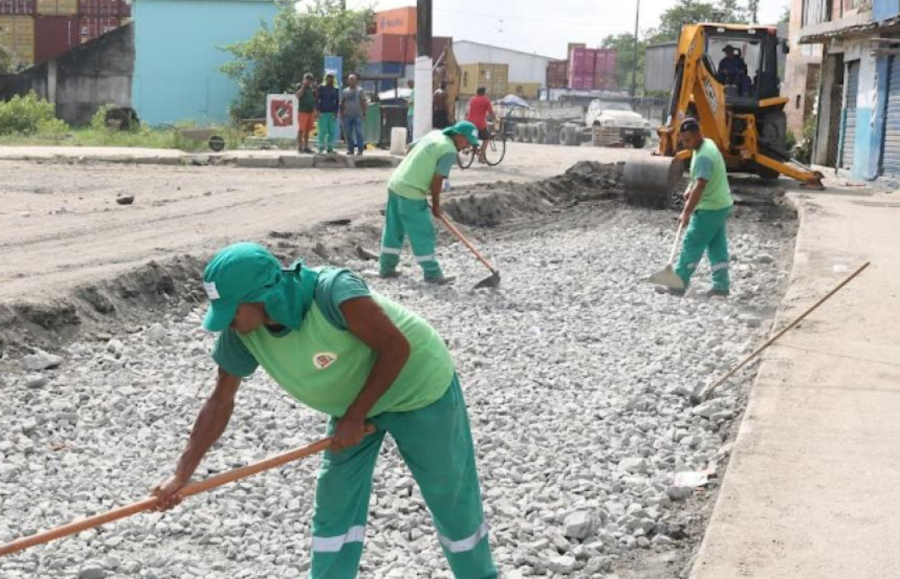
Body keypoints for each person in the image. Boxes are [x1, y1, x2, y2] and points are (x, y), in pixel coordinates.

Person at [152, 242, 499, 579]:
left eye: (231, 311)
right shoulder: (242, 333)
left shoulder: (334, 293)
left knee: (449, 493)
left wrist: (355, 416)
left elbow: (395, 347)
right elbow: (219, 401)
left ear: (262, 296)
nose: (225, 322)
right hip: (355, 404)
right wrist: (182, 474)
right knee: (334, 501)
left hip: (419, 389)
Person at [379, 121, 480, 284]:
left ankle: (386, 268)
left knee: (393, 229)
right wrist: (436, 206)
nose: (467, 146)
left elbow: (410, 148)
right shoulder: (449, 152)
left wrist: (414, 170)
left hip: (396, 184)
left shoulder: (435, 134)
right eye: (467, 141)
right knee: (423, 232)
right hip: (411, 193)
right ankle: (432, 274)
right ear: (458, 135)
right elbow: (437, 181)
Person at [673, 117, 734, 298]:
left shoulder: (703, 156)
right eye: (683, 140)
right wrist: (689, 188)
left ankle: (678, 284)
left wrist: (686, 213)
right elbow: (698, 180)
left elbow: (701, 185)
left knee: (692, 242)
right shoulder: (706, 144)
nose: (685, 144)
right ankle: (721, 286)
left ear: (698, 134)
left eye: (688, 140)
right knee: (717, 245)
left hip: (709, 207)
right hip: (721, 204)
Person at [466, 87, 494, 163]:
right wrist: (496, 119)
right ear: (484, 93)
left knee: (472, 136)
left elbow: (468, 110)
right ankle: (481, 156)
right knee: (486, 138)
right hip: (480, 123)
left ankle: (473, 148)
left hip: (470, 122)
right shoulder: (486, 100)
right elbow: (491, 112)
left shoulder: (472, 99)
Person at [341, 74, 367, 156]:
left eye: (353, 79)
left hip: (357, 115)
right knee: (348, 133)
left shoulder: (360, 90)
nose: (352, 81)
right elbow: (342, 102)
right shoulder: (345, 91)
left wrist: (364, 113)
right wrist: (341, 113)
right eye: (350, 79)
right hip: (347, 115)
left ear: (356, 81)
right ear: (348, 81)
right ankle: (350, 149)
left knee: (359, 132)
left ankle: (360, 150)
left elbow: (363, 102)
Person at [316, 72, 341, 154]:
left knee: (331, 131)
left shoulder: (336, 89)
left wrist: (335, 112)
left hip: (332, 113)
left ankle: (330, 148)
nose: (330, 79)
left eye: (332, 77)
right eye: (328, 77)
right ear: (325, 78)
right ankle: (320, 148)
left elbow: (337, 102)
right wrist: (317, 111)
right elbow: (316, 100)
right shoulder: (321, 87)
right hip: (322, 113)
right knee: (322, 131)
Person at [296, 72, 317, 154]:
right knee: (301, 130)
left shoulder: (311, 88)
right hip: (302, 111)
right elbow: (297, 96)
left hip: (310, 111)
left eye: (310, 80)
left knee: (307, 130)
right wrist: (303, 87)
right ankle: (299, 147)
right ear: (304, 79)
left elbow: (313, 99)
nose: (308, 81)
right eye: (307, 79)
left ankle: (306, 147)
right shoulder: (300, 86)